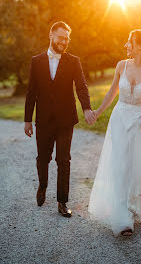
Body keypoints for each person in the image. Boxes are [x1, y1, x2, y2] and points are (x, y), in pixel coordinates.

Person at [88, 29, 141, 236]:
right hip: (120, 119)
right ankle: (122, 218)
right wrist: (97, 112)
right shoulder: (121, 66)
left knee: (137, 168)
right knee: (120, 164)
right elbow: (112, 92)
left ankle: (133, 206)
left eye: (130, 42)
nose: (126, 45)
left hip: (140, 121)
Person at [24, 21, 96, 217]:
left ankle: (62, 202)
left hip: (66, 120)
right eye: (61, 37)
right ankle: (42, 186)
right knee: (43, 158)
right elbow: (31, 92)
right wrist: (27, 119)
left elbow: (81, 86)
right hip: (44, 120)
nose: (64, 41)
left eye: (67, 38)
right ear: (51, 36)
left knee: (64, 160)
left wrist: (87, 108)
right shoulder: (36, 61)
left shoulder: (73, 61)